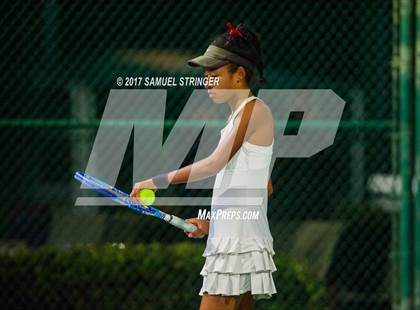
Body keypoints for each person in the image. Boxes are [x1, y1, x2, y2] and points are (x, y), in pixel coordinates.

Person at [131, 22, 276, 310]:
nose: (207, 82)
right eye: (206, 75)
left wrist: (155, 181)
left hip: (237, 245)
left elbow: (215, 163)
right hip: (238, 239)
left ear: (239, 75)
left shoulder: (254, 110)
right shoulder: (239, 117)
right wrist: (214, 225)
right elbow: (264, 187)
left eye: (215, 74)